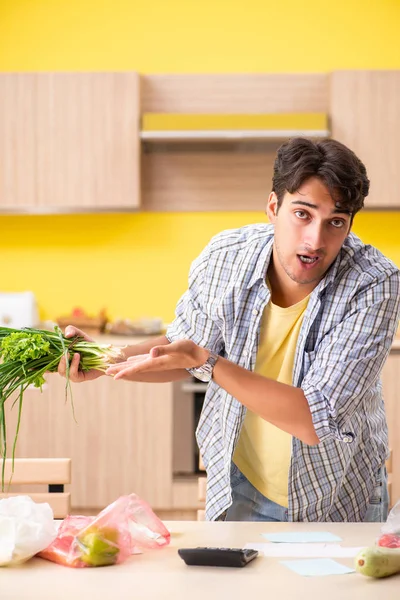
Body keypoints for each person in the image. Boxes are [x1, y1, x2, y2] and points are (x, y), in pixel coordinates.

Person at [59, 137, 400, 523]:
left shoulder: (374, 283)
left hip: (337, 495)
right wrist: (106, 360)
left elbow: (316, 419)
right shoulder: (226, 258)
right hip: (242, 486)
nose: (315, 240)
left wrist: (206, 362)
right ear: (274, 207)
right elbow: (183, 348)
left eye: (335, 222)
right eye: (302, 214)